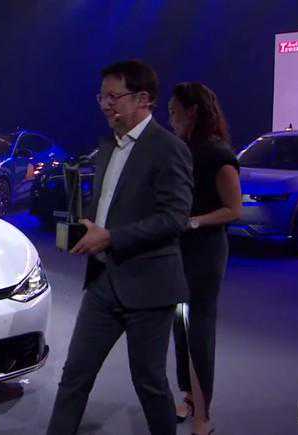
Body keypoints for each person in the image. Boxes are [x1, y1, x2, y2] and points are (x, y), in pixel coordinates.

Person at [47, 60, 193, 435]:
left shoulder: (169, 149)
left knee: (149, 382)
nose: (105, 105)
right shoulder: (108, 147)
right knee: (75, 375)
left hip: (149, 286)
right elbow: (109, 206)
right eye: (101, 97)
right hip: (102, 282)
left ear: (143, 99)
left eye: (114, 97)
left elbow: (175, 218)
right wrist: (86, 228)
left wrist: (111, 237)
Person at [167, 82, 241, 435]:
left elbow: (233, 209)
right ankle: (188, 396)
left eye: (174, 112)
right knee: (179, 324)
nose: (170, 119)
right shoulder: (181, 150)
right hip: (178, 252)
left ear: (192, 112)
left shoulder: (218, 155)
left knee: (199, 329)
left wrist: (194, 221)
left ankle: (203, 415)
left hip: (205, 253)